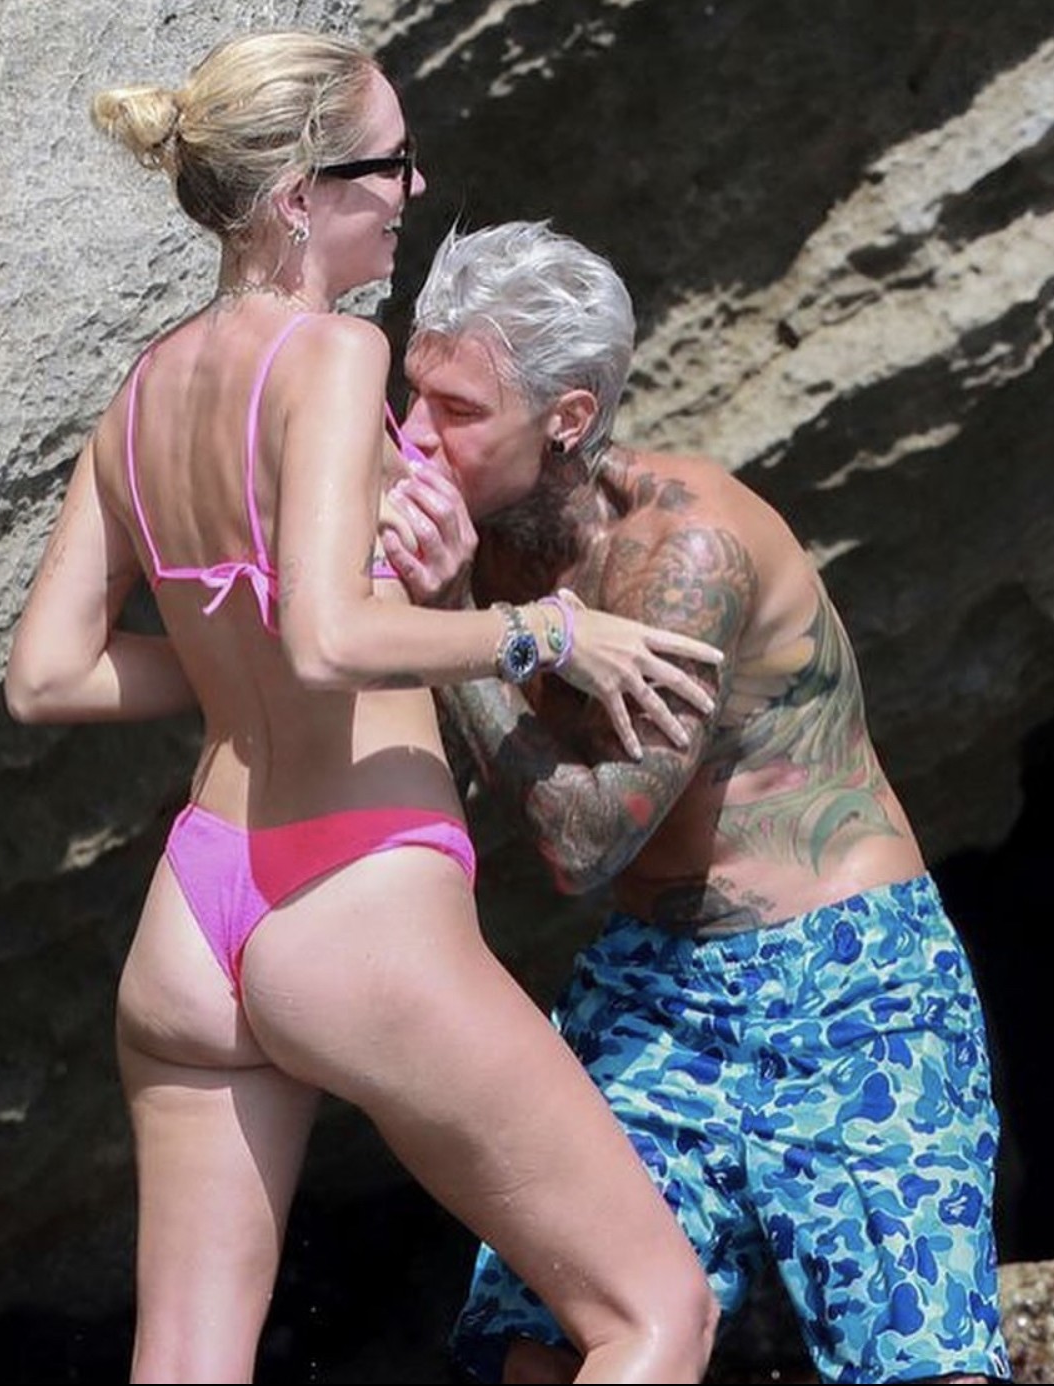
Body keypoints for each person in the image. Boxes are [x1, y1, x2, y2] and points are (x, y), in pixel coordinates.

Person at [3, 39, 726, 1385]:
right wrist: (546, 631)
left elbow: (45, 676)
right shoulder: (332, 353)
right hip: (350, 895)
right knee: (654, 1316)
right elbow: (330, 635)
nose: (414, 186)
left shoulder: (138, 397)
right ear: (298, 196)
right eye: (390, 162)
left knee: (184, 1364)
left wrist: (237, 659)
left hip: (193, 915)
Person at [378, 220, 1014, 1385]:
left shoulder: (686, 550)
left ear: (567, 417)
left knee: (922, 1362)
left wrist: (458, 625)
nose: (415, 434)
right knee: (543, 1337)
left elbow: (583, 841)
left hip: (845, 974)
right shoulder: (468, 533)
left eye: (458, 410)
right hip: (653, 979)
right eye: (411, 394)